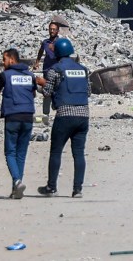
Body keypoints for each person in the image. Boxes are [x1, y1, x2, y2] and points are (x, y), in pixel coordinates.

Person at [38, 38, 89, 198]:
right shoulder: (83, 70)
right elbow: (88, 92)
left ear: (57, 53)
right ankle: (77, 189)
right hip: (83, 115)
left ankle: (51, 187)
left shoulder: (55, 70)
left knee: (56, 151)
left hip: (64, 115)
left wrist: (40, 83)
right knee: (79, 153)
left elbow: (47, 92)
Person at [0, 48, 42, 199]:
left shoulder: (5, 75)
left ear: (12, 59)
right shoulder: (30, 75)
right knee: (21, 154)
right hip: (28, 116)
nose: (3, 62)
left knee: (10, 152)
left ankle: (16, 181)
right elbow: (33, 93)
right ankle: (16, 189)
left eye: (4, 59)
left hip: (13, 115)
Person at [32, 21, 60, 124]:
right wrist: (37, 62)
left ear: (57, 31)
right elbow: (40, 51)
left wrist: (55, 50)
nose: (52, 31)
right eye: (50, 29)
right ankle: (46, 115)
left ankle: (58, 112)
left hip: (57, 72)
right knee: (46, 92)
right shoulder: (45, 42)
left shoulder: (60, 43)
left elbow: (64, 56)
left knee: (57, 92)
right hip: (47, 71)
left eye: (54, 29)